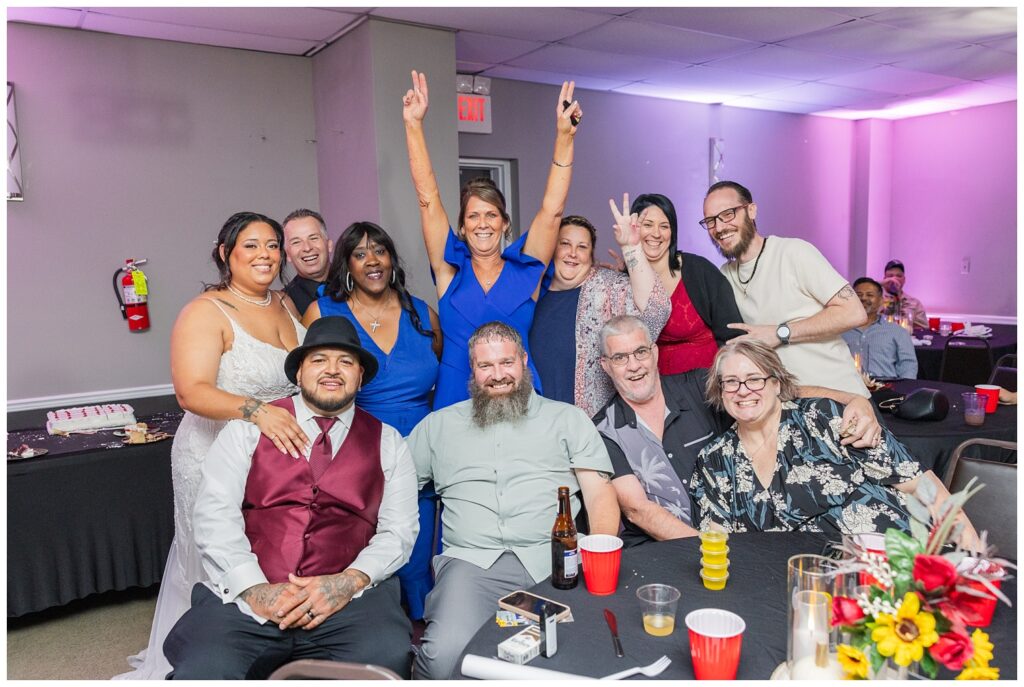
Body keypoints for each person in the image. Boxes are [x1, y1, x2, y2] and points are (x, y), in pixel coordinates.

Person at [162, 316, 418, 679]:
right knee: (205, 668)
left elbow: (399, 530)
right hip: (250, 597)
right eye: (318, 360)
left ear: (360, 377)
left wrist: (347, 582)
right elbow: (214, 516)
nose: (332, 370)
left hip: (349, 602)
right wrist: (255, 589)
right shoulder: (244, 432)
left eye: (346, 362)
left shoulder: (389, 442)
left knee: (385, 660)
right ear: (298, 374)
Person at [118, 212, 309, 679]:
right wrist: (258, 411)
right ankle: (206, 661)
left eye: (272, 245)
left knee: (267, 554)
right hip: (211, 454)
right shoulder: (206, 311)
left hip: (272, 459)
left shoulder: (285, 303)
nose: (265, 255)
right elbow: (191, 391)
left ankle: (262, 656)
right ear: (226, 254)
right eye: (251, 245)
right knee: (214, 559)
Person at [408, 321, 620, 680]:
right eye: (485, 366)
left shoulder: (567, 419)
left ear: (524, 361)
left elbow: (600, 494)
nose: (497, 375)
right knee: (445, 656)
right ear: (472, 372)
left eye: (506, 362)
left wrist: (596, 563)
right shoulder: (436, 427)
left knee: (571, 657)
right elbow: (392, 490)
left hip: (553, 563)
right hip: (470, 565)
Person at [593, 315, 885, 548]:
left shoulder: (696, 387)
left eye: (640, 351)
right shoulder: (604, 428)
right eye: (620, 358)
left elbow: (772, 391)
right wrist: (711, 551)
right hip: (666, 547)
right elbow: (638, 510)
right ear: (606, 366)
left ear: (654, 353)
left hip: (740, 531)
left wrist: (854, 400)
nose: (634, 366)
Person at [403, 69, 582, 409]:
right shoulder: (449, 271)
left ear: (504, 224)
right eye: (473, 216)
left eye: (491, 215)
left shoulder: (526, 270)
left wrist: (565, 137)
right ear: (463, 226)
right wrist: (413, 125)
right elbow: (427, 200)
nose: (482, 224)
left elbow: (553, 210)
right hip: (457, 399)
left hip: (519, 398)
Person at [691, 339, 976, 542]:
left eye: (754, 379)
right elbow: (716, 541)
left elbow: (918, 483)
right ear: (720, 390)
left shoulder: (824, 418)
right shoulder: (715, 460)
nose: (742, 390)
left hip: (896, 557)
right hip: (799, 586)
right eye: (730, 382)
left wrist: (969, 549)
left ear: (776, 383)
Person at [303, 220, 441, 620]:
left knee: (415, 553)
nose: (372, 261)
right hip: (353, 450)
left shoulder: (422, 314)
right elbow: (310, 380)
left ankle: (420, 641)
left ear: (392, 260)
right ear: (346, 263)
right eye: (360, 254)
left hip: (419, 451)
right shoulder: (323, 310)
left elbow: (442, 376)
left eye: (379, 250)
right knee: (354, 548)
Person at [703, 180, 869, 397]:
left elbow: (854, 313)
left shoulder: (793, 253)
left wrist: (781, 333)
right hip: (785, 406)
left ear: (751, 210)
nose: (720, 227)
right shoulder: (723, 275)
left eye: (728, 214)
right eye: (710, 221)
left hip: (840, 399)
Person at [530, 203, 669, 417]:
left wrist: (631, 247)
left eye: (582, 247)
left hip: (595, 426)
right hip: (540, 425)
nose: (573, 253)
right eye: (565, 244)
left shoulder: (607, 287)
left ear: (592, 255)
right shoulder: (532, 293)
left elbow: (656, 311)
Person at [629, 192, 744, 375]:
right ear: (633, 228)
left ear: (672, 232)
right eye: (648, 225)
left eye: (664, 226)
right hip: (653, 391)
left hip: (707, 388)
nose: (656, 234)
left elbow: (734, 337)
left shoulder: (699, 271)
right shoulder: (623, 282)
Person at [842, 277, 918, 380]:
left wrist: (904, 390)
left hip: (886, 389)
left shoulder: (897, 332)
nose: (863, 298)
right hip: (847, 388)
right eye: (858, 295)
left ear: (881, 301)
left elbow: (908, 365)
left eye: (870, 295)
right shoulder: (840, 331)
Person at [282, 209, 333, 317]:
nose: (307, 248)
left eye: (314, 238)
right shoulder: (284, 302)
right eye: (296, 242)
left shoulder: (358, 285)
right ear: (288, 255)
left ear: (329, 245)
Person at [880, 259, 928, 329]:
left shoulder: (915, 303)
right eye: (890, 276)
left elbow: (922, 330)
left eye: (898, 276)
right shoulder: (875, 299)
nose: (894, 279)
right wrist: (879, 284)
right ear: (884, 279)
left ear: (904, 279)